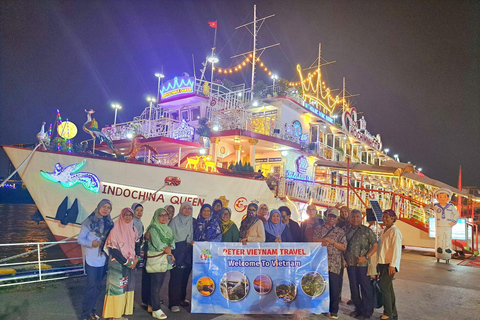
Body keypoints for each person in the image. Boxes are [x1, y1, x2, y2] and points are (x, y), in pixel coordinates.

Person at [78, 199, 114, 320]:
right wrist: (90, 243)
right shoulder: (89, 222)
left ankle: (92, 312)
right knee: (91, 287)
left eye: (108, 208)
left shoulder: (110, 223)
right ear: (98, 207)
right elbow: (80, 239)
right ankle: (85, 314)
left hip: (104, 259)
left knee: (98, 287)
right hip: (92, 260)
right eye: (103, 206)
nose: (105, 209)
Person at [103, 207, 140, 320]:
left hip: (131, 263)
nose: (128, 217)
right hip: (118, 264)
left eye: (130, 215)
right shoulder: (115, 229)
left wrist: (136, 259)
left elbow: (137, 244)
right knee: (117, 288)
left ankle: (121, 312)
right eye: (126, 215)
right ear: (121, 216)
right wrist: (127, 262)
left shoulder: (133, 229)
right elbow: (113, 250)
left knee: (127, 287)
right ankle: (114, 315)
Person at [313, 208, 346, 319]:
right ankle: (319, 307)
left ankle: (333, 311)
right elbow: (313, 240)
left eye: (334, 217)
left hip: (334, 264)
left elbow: (343, 247)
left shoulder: (340, 231)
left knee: (334, 287)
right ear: (327, 216)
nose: (331, 218)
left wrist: (333, 242)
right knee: (320, 285)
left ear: (337, 219)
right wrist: (324, 240)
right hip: (320, 262)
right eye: (330, 216)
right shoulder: (319, 228)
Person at [344, 209, 378, 320]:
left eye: (357, 217)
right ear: (349, 218)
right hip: (350, 264)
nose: (355, 219)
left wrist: (366, 257)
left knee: (365, 288)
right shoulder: (345, 230)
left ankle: (367, 312)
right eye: (352, 217)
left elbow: (375, 246)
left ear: (361, 218)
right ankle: (358, 309)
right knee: (354, 288)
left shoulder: (367, 231)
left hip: (363, 265)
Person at [145, 208, 175, 319]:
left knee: (159, 284)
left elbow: (173, 242)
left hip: (165, 259)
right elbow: (158, 244)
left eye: (166, 215)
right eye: (161, 215)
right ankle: (156, 309)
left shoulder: (168, 229)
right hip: (157, 259)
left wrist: (170, 247)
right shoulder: (153, 228)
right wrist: (167, 248)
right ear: (156, 217)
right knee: (156, 285)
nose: (164, 217)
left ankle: (150, 304)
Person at [168, 202, 194, 313]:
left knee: (185, 278)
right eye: (185, 208)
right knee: (175, 278)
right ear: (180, 209)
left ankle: (182, 299)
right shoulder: (174, 222)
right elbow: (169, 237)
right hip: (176, 251)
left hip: (188, 252)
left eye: (189, 208)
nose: (187, 210)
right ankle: (173, 303)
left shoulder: (193, 221)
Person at [378, 209, 403, 320]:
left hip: (390, 264)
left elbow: (396, 250)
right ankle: (393, 313)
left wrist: (393, 265)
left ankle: (387, 313)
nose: (384, 219)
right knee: (388, 288)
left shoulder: (395, 232)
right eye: (383, 217)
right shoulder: (384, 230)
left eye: (387, 217)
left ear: (393, 218)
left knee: (384, 287)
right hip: (383, 262)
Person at [426, 188, 459, 260]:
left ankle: (447, 248)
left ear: (448, 198)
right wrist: (427, 206)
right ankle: (439, 248)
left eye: (445, 197)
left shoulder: (451, 206)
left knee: (447, 236)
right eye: (440, 197)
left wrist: (454, 221)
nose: (443, 199)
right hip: (439, 224)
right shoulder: (436, 205)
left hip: (448, 224)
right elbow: (427, 208)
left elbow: (456, 214)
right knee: (439, 236)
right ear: (437, 198)